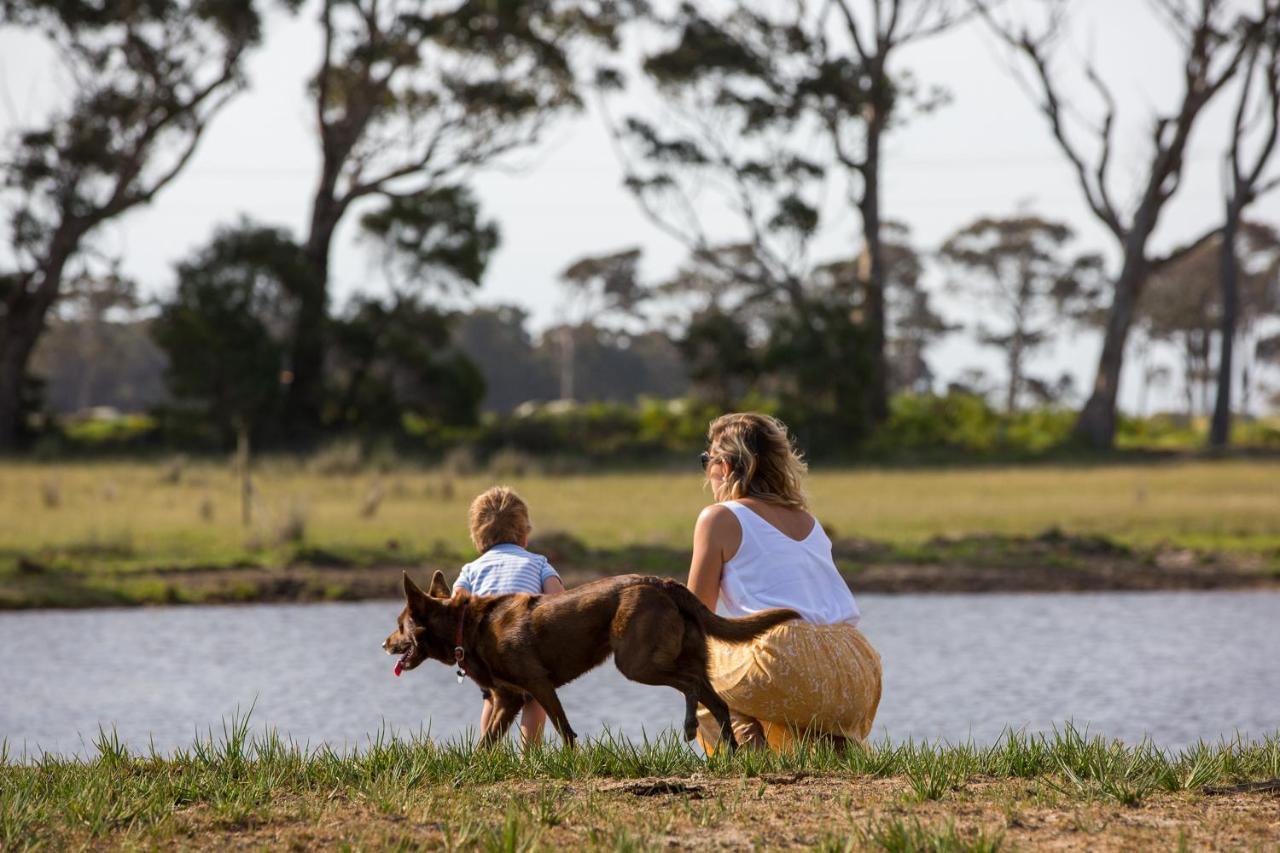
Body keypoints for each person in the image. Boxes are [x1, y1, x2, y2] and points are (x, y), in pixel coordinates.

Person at [686, 412, 882, 752]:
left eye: (708, 461)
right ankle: (833, 753)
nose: (707, 472)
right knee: (774, 685)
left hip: (784, 655)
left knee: (692, 656)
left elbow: (693, 616)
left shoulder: (719, 517)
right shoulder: (809, 521)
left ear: (727, 467)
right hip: (856, 665)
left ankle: (746, 752)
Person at [453, 485, 565, 746]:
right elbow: (559, 602)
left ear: (477, 537)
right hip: (525, 644)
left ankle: (488, 755)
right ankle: (530, 756)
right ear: (524, 534)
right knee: (534, 699)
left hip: (487, 648)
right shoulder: (538, 563)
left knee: (492, 699)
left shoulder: (470, 570)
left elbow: (455, 606)